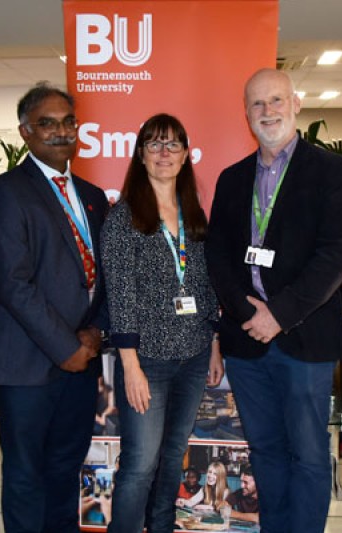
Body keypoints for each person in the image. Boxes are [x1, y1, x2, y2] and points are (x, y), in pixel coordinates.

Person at [206, 68, 342, 533]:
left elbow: (336, 254)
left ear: (295, 104)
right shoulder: (232, 179)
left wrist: (281, 315)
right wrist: (249, 313)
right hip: (246, 340)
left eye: (276, 101)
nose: (267, 111)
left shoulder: (331, 171)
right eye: (257, 104)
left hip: (304, 339)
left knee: (309, 453)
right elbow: (217, 256)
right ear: (246, 114)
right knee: (266, 450)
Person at [0, 82, 110, 533]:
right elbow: (14, 284)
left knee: (64, 471)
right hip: (26, 367)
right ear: (25, 133)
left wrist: (95, 336)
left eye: (67, 122)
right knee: (25, 477)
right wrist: (65, 345)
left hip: (82, 361)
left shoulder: (92, 196)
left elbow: (106, 274)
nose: (60, 132)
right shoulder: (4, 194)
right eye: (46, 124)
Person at [102, 113, 223, 533]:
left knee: (173, 457)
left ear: (187, 153)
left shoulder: (194, 212)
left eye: (173, 144)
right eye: (154, 144)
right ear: (140, 155)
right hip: (147, 362)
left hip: (192, 356)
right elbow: (120, 294)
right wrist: (130, 366)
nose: (164, 153)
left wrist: (213, 345)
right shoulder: (123, 217)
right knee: (139, 464)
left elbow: (204, 286)